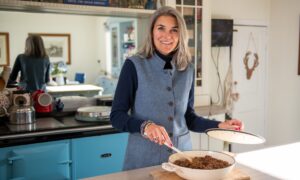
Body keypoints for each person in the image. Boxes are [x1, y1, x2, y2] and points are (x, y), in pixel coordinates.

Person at [110, 6, 243, 170]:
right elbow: (116, 116)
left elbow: (188, 118)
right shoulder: (133, 66)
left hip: (181, 160)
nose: (167, 35)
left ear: (181, 35)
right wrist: (145, 126)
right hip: (143, 160)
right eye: (161, 28)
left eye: (174, 30)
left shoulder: (188, 69)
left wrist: (219, 126)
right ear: (152, 32)